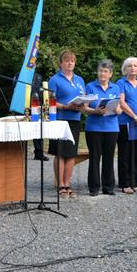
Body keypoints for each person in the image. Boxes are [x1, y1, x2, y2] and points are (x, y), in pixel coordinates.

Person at [47, 50, 85, 198]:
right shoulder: (55, 80)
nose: (70, 63)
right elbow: (50, 101)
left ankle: (67, 183)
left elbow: (83, 97)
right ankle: (60, 184)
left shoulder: (80, 80)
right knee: (60, 153)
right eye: (67, 60)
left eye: (72, 60)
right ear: (61, 63)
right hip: (60, 120)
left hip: (75, 119)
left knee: (71, 154)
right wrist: (65, 106)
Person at [83, 59, 122, 196]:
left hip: (112, 127)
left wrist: (118, 110)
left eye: (105, 71)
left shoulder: (116, 88)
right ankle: (94, 188)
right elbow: (84, 108)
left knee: (109, 157)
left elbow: (119, 107)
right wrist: (95, 111)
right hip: (94, 127)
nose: (102, 73)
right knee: (94, 158)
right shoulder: (90, 87)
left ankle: (108, 186)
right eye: (100, 70)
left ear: (110, 74)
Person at [116, 57, 137, 194]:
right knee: (125, 154)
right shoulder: (120, 83)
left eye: (135, 65)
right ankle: (124, 183)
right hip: (126, 123)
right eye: (129, 65)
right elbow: (122, 103)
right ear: (125, 69)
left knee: (136, 154)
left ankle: (134, 183)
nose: (133, 68)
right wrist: (135, 117)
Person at [32, 71, 48, 161]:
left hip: (37, 104)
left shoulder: (38, 76)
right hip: (24, 105)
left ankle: (39, 152)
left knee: (38, 129)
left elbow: (41, 92)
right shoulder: (20, 75)